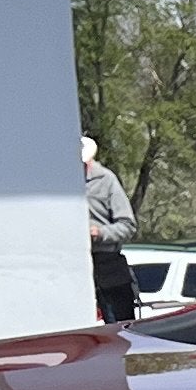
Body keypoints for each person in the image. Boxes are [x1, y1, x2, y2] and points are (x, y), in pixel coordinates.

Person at [83, 134, 138, 322]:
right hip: (75, 268)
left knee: (119, 329)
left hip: (107, 266)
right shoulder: (61, 183)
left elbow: (128, 226)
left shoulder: (106, 180)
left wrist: (99, 232)